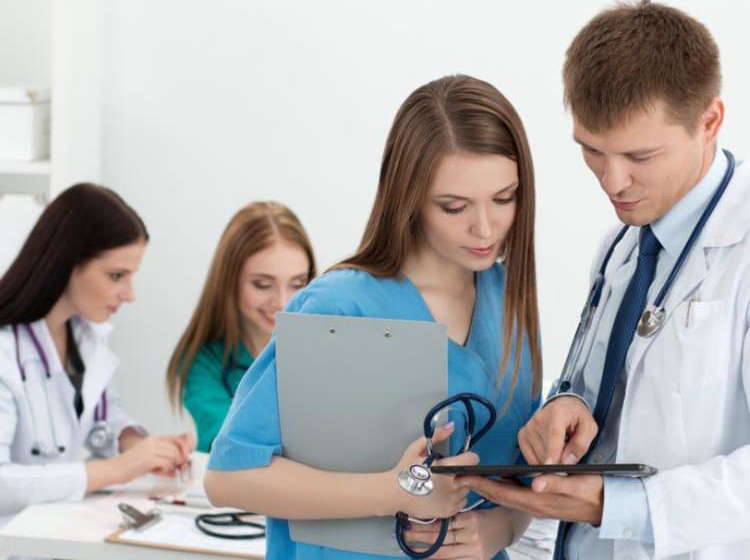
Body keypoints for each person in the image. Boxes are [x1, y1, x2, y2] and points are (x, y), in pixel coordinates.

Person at [203, 74, 543, 559]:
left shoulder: (508, 298)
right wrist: (394, 492)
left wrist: (499, 532)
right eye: (454, 206)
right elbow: (229, 478)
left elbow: (519, 481)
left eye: (504, 198)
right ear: (409, 198)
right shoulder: (339, 306)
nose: (485, 227)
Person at [465, 1, 750, 560]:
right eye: (591, 150)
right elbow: (615, 392)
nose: (613, 181)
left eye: (639, 155)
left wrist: (615, 505)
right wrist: (567, 404)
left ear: (710, 120)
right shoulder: (622, 246)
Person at [0, 183, 195, 517]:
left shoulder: (83, 336)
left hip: (49, 535)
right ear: (67, 263)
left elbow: (101, 419)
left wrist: (137, 445)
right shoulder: (5, 350)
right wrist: (120, 468)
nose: (129, 294)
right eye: (116, 275)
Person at [166, 201, 316, 452]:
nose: (282, 302)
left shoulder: (325, 353)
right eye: (262, 284)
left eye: (298, 283)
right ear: (228, 281)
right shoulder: (203, 362)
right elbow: (231, 445)